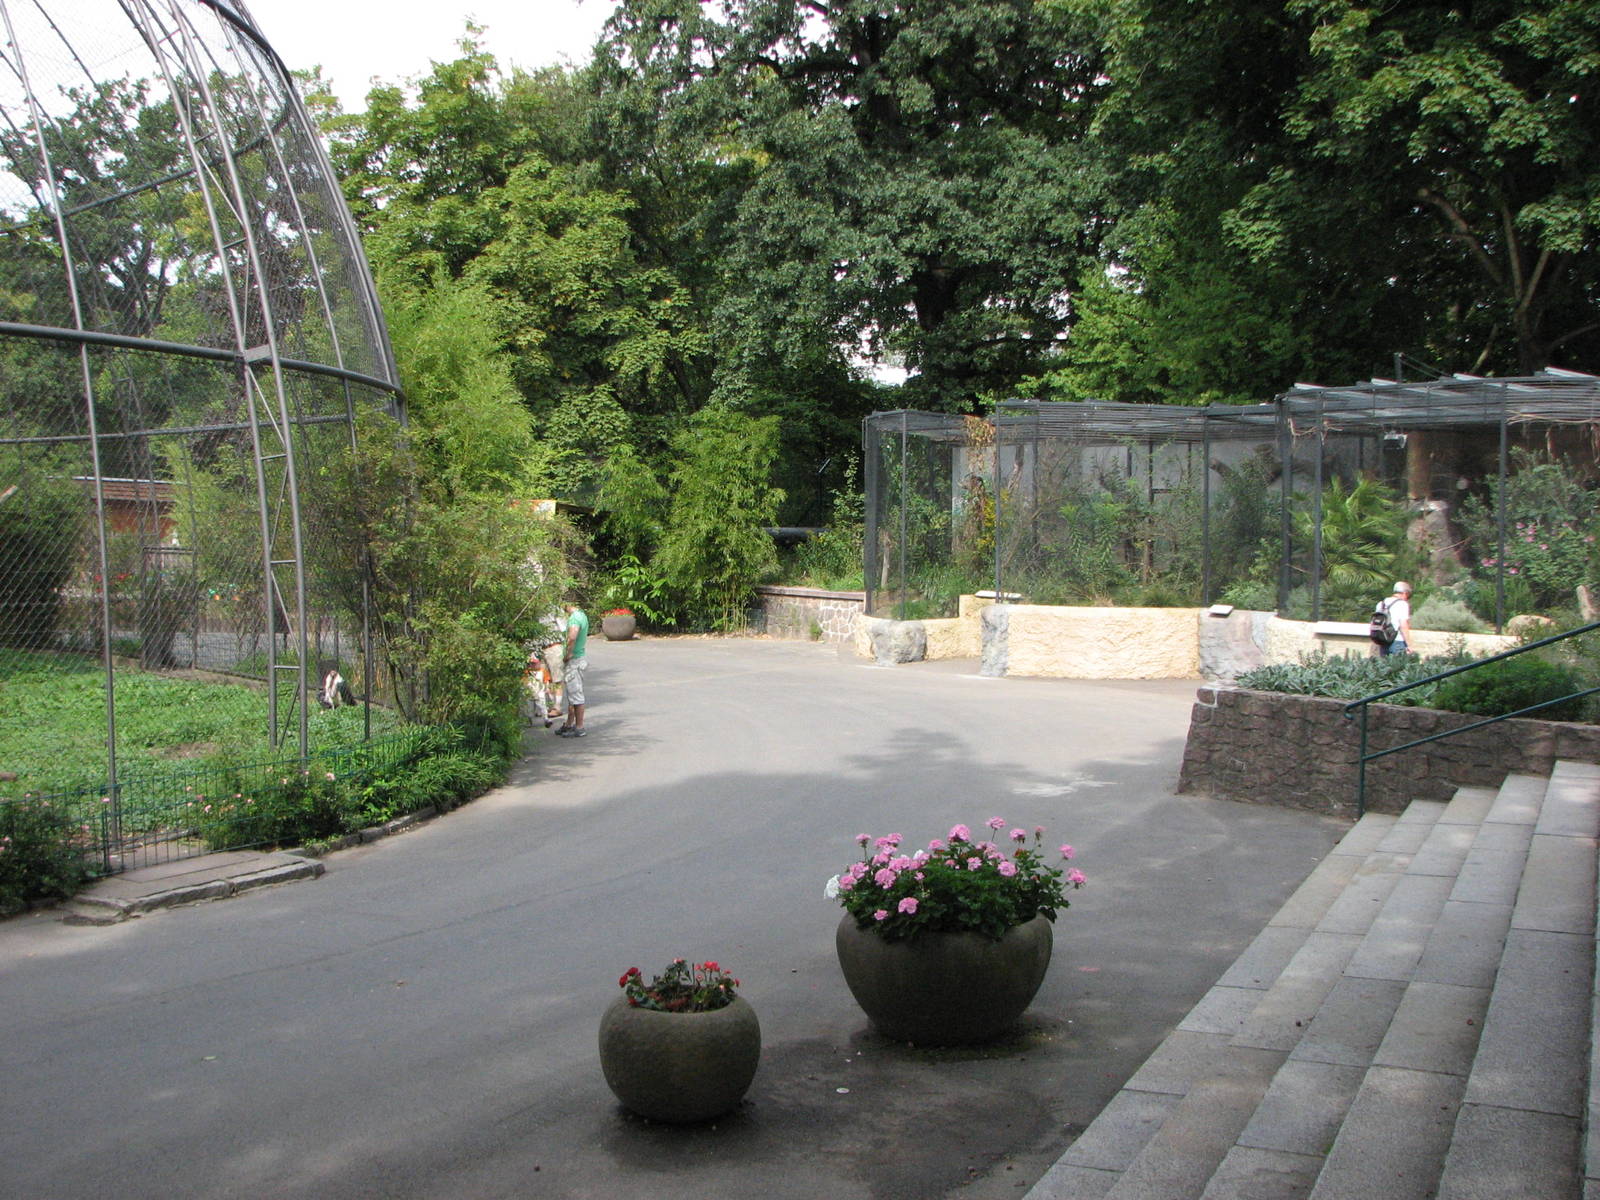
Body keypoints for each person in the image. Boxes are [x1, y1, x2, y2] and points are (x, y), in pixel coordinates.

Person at [557, 600, 590, 737]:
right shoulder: (582, 615)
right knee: (572, 693)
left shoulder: (575, 618)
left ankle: (580, 727)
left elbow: (572, 636)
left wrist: (568, 654)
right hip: (578, 658)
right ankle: (570, 723)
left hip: (574, 660)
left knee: (576, 694)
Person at [538, 611, 566, 721]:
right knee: (546, 679)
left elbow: (564, 629)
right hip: (541, 649)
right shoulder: (536, 611)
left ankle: (557, 706)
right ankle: (550, 705)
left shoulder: (554, 610)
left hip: (554, 647)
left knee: (557, 679)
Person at [1375, 581, 1413, 656]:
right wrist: (1409, 645)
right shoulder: (1402, 604)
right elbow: (1403, 625)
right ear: (1405, 593)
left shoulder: (1381, 603)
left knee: (1384, 666)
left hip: (1383, 641)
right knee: (1398, 666)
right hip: (1397, 641)